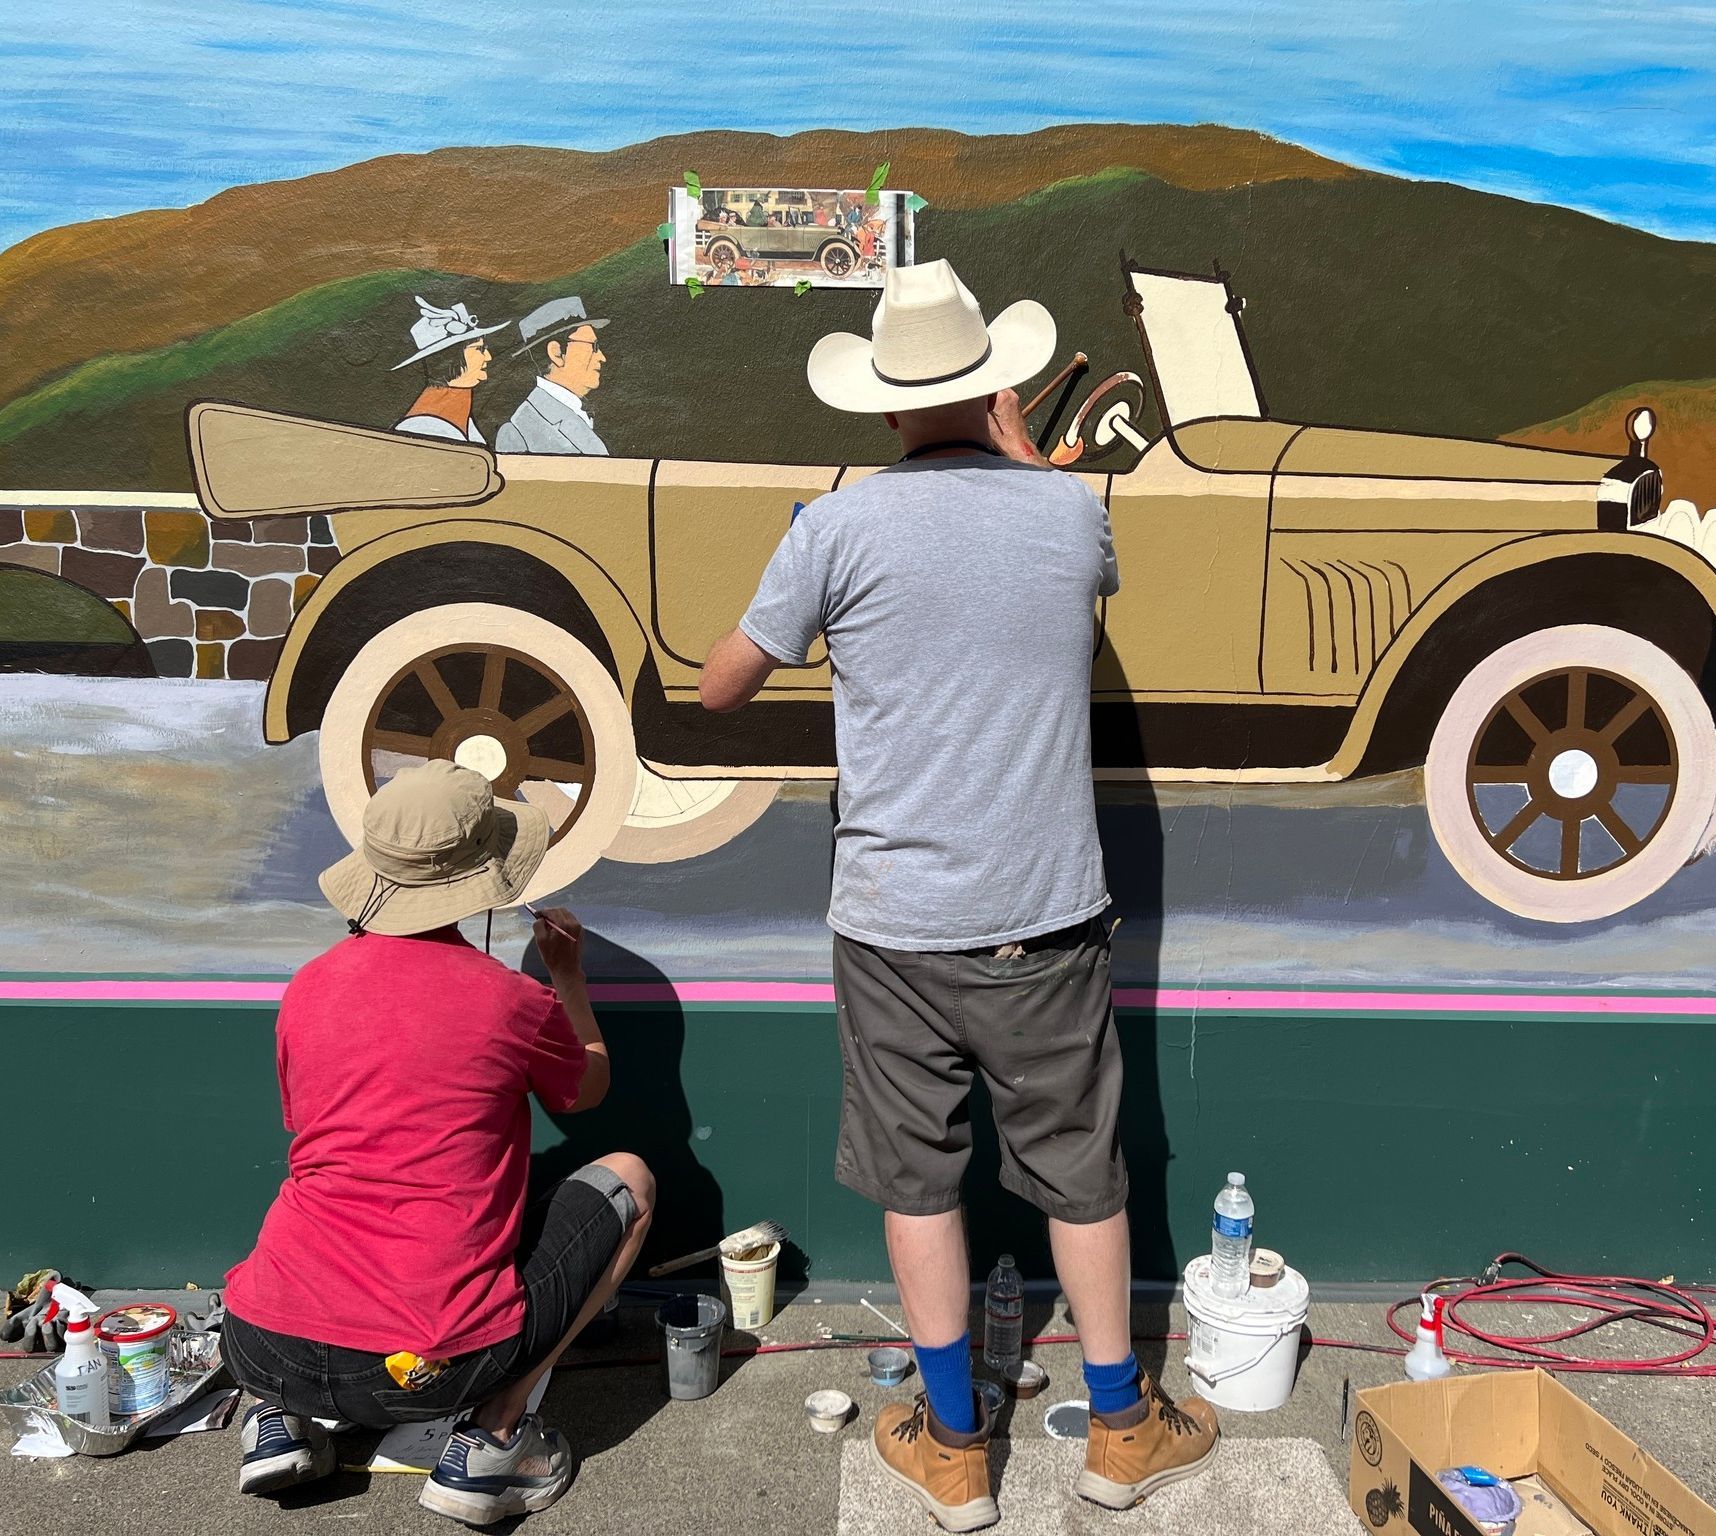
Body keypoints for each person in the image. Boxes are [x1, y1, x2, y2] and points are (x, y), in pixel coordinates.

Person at [697, 259, 1218, 1532]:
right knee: (1082, 1176)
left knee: (917, 1183)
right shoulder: (1070, 515)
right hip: (1047, 915)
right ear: (997, 389)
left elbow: (721, 687)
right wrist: (1028, 456)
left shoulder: (834, 528)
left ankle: (952, 1450)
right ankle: (1120, 1429)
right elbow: (1083, 590)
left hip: (891, 923)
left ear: (882, 403)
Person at [221, 759, 654, 1528]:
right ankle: (494, 1441)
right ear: (480, 878)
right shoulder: (511, 999)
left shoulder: (307, 986)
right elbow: (586, 1089)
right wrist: (568, 979)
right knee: (632, 1178)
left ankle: (278, 1420)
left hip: (260, 1342)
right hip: (427, 1365)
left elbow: (319, 1135)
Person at [495, 297, 610, 455]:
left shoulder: (574, 412)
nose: (602, 357)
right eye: (593, 347)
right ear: (556, 353)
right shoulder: (517, 432)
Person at [391, 297, 508, 444]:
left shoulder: (462, 416)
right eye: (479, 349)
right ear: (450, 358)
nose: (488, 357)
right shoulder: (423, 428)